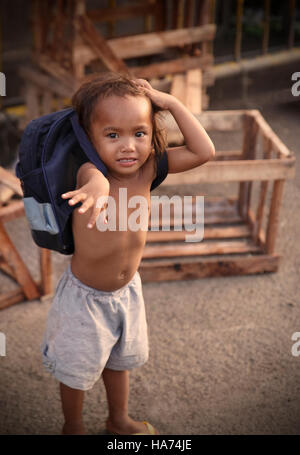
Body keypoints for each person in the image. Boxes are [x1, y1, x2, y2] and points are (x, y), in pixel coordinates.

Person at [41, 72, 215, 435]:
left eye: (139, 133)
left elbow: (204, 151)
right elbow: (96, 181)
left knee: (119, 362)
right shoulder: (89, 172)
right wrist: (97, 189)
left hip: (126, 293)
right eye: (112, 135)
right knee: (76, 369)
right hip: (84, 299)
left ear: (151, 136)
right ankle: (72, 426)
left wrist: (171, 103)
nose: (128, 147)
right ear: (89, 139)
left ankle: (117, 419)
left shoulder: (150, 167)